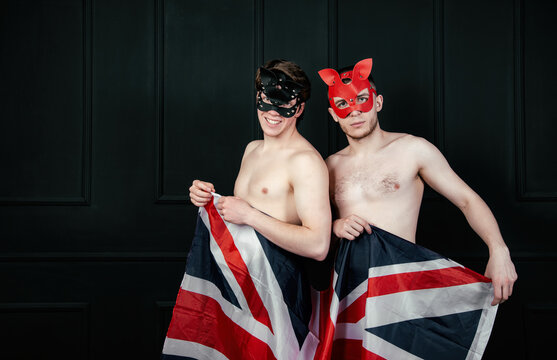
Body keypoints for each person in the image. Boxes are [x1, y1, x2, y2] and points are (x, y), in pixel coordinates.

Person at [319, 58, 517, 305]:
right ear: (333, 115)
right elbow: (311, 231)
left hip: (402, 287)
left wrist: (499, 250)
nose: (354, 110)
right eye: (342, 104)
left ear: (377, 102)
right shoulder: (328, 167)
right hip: (349, 291)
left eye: (361, 99)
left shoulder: (413, 149)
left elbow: (467, 200)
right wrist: (335, 226)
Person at [189, 59, 331, 261]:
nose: (273, 111)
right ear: (258, 97)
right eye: (267, 100)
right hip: (241, 273)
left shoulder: (305, 162)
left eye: (283, 103)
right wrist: (207, 197)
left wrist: (249, 216)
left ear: (299, 109)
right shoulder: (252, 149)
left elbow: (318, 245)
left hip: (276, 279)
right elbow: (241, 214)